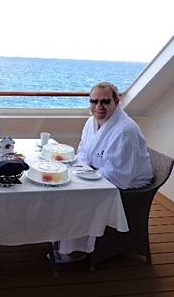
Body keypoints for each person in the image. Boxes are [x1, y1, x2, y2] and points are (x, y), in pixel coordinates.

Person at [52, 81, 153, 263]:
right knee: (61, 184)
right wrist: (81, 169)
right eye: (94, 101)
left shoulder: (124, 131)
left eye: (105, 101)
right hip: (99, 173)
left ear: (117, 102)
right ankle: (62, 236)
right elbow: (82, 150)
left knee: (74, 194)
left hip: (128, 187)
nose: (99, 107)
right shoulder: (91, 122)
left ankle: (73, 250)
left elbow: (119, 177)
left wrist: (85, 175)